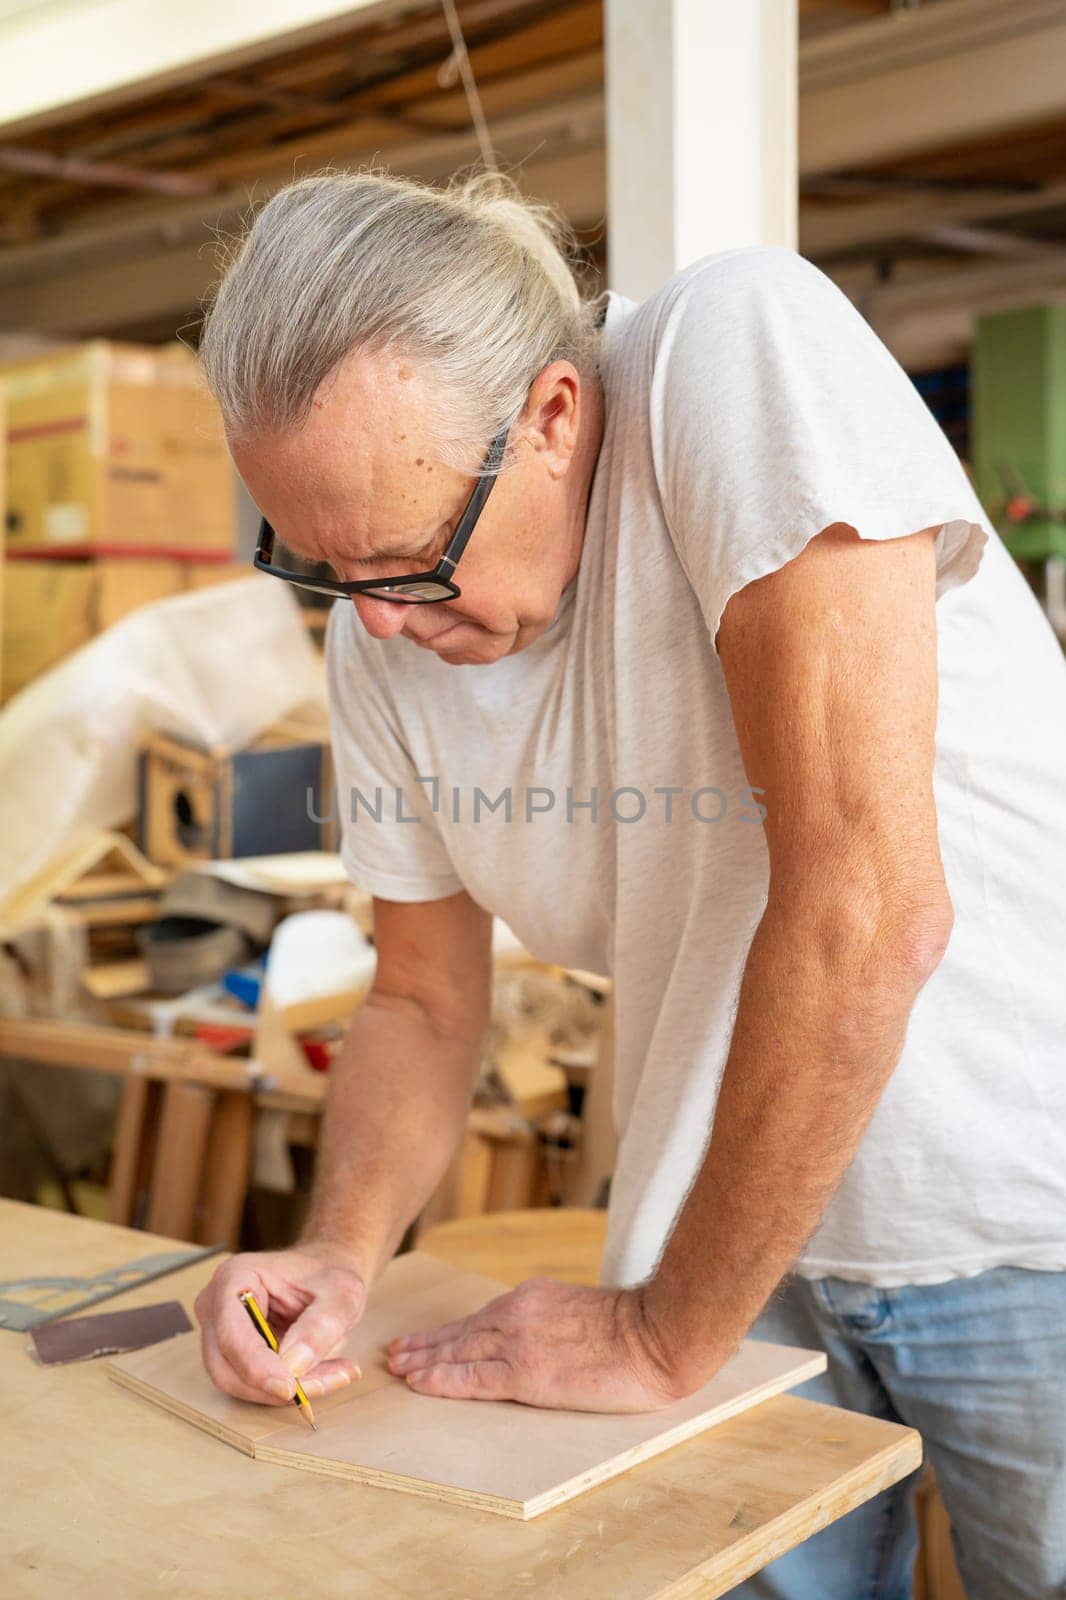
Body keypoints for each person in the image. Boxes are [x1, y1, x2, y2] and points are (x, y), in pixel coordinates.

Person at [192, 169, 1066, 1597]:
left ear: (550, 416)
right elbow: (417, 1001)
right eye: (321, 566)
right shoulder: (384, 633)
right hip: (731, 1246)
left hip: (1019, 1217)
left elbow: (868, 910)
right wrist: (337, 1256)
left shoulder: (733, 352)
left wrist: (664, 1333)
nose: (371, 622)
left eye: (405, 560)